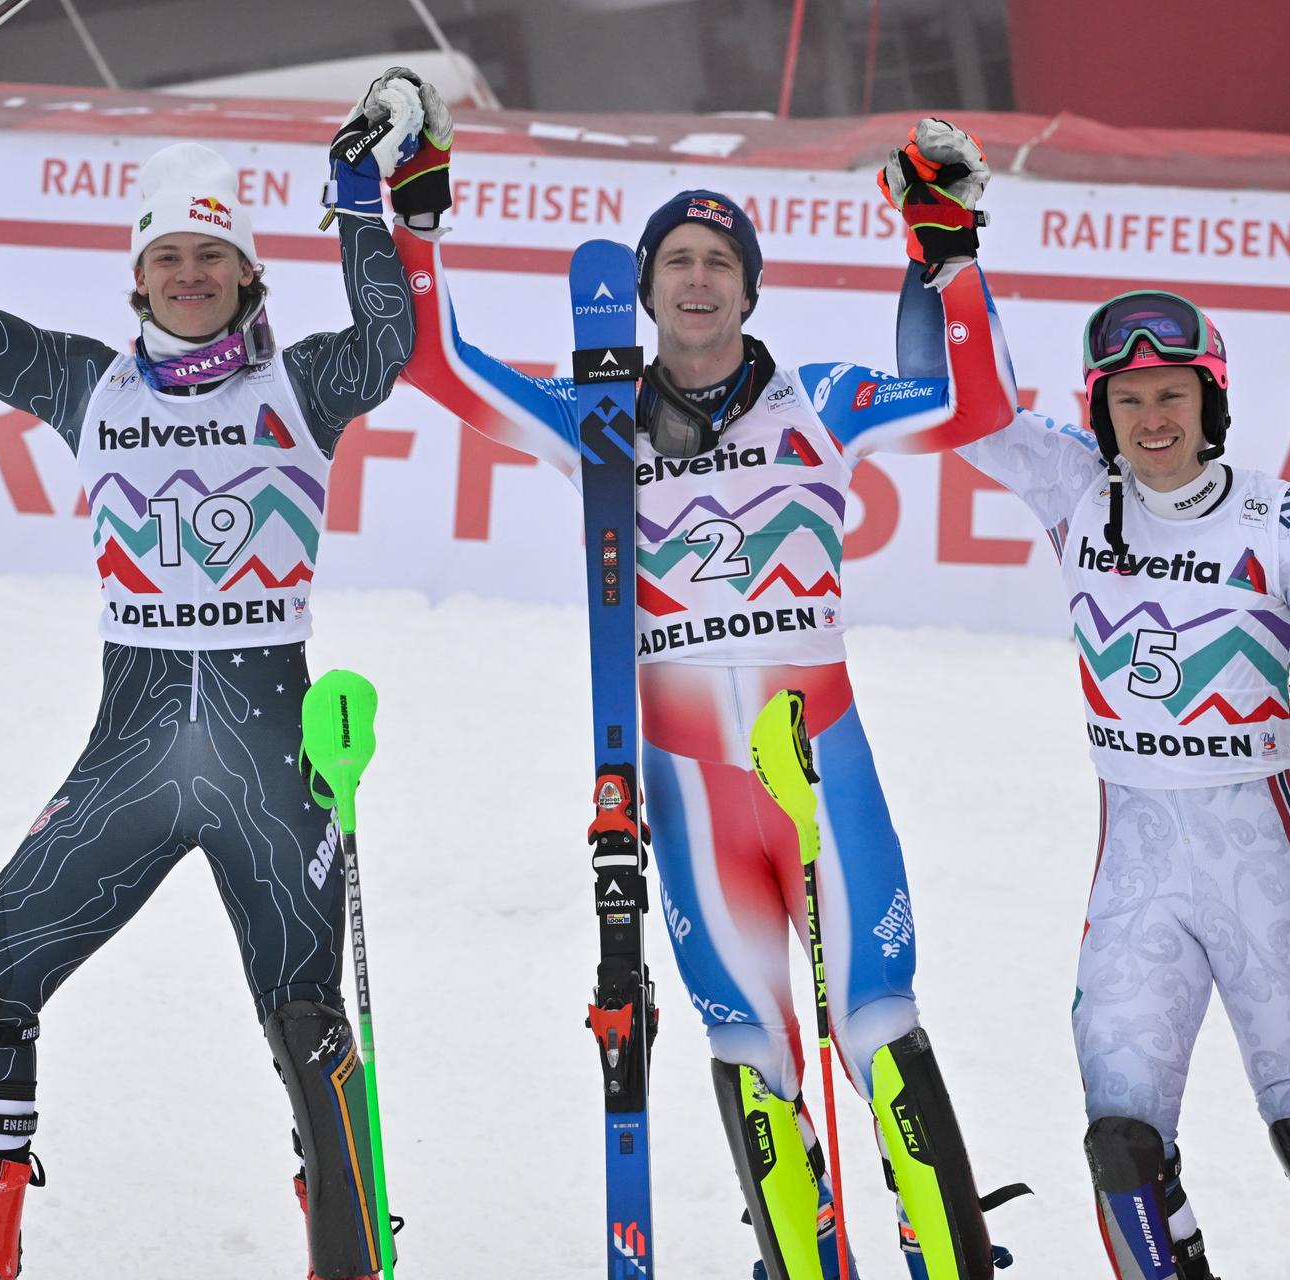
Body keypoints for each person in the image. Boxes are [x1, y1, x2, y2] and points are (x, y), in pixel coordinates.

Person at [383, 76, 1024, 1280]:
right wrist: (413, 220)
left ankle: (954, 1258)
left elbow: (972, 399)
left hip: (823, 767)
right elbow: (440, 369)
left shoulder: (820, 401)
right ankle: (801, 1255)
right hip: (687, 793)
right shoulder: (595, 416)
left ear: (749, 285)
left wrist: (947, 255)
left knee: (878, 1021)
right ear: (645, 285)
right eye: (675, 258)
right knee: (751, 1044)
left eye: (718, 260)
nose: (696, 278)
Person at [0, 74, 424, 1280]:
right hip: (129, 751)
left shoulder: (302, 386)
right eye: (169, 255)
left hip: (266, 757)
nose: (191, 273)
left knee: (306, 1027)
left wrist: (357, 197)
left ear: (246, 273)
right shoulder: (94, 384)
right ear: (139, 276)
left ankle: (352, 1262)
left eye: (213, 255)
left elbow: (389, 337)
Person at [883, 122, 1290, 1280]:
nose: (1155, 419)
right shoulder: (1077, 493)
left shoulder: (1275, 517)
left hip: (1264, 864)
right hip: (1137, 872)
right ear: (1102, 410)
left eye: (1176, 394)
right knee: (1118, 1141)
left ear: (1213, 398)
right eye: (1131, 397)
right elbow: (956, 407)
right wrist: (943, 256)